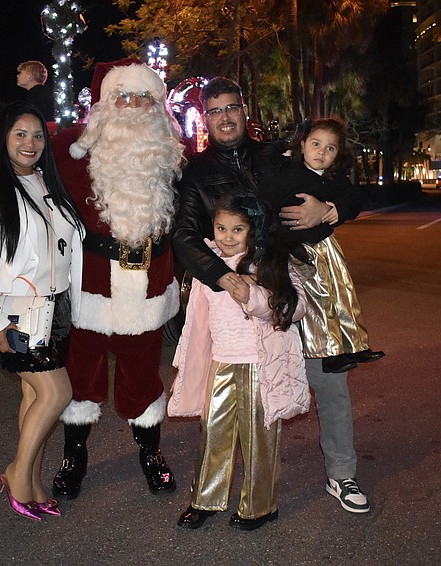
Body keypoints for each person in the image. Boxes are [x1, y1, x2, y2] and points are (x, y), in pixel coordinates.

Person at [173, 76, 372, 514]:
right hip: (239, 296)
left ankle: (342, 475)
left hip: (301, 278)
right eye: (215, 110)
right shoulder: (197, 173)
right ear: (206, 118)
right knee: (232, 396)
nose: (225, 117)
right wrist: (221, 276)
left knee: (329, 379)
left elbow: (344, 184)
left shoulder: (276, 153)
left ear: (244, 110)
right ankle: (218, 491)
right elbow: (184, 236)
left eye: (232, 107)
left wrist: (332, 209)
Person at [49, 59, 184, 498]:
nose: (133, 106)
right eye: (122, 97)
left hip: (150, 289)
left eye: (144, 98)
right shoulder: (69, 149)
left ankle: (150, 453)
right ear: (104, 104)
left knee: (143, 376)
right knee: (80, 379)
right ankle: (74, 458)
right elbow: (19, 169)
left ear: (158, 106)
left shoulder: (171, 151)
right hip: (90, 289)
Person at [0, 101, 84, 520]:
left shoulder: (49, 183)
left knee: (34, 395)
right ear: (4, 138)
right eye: (20, 134)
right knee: (57, 393)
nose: (29, 143)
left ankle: (32, 480)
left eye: (37, 135)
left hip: (57, 309)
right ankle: (16, 472)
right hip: (16, 313)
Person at [169, 193, 310, 531]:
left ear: (253, 230)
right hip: (221, 359)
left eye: (237, 229)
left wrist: (254, 296)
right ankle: (205, 499)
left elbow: (298, 307)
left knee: (259, 438)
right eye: (221, 228)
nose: (227, 237)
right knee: (213, 433)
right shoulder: (208, 262)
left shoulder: (271, 263)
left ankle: (260, 507)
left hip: (260, 364)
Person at [262, 117, 384, 374]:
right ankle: (328, 352)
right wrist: (281, 149)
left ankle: (354, 343)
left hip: (327, 247)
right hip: (300, 249)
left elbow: (353, 199)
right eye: (315, 144)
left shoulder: (333, 177)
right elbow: (269, 187)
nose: (321, 152)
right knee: (319, 300)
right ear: (302, 144)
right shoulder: (289, 173)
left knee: (344, 293)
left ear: (338, 154)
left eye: (330, 148)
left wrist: (333, 209)